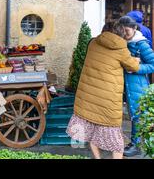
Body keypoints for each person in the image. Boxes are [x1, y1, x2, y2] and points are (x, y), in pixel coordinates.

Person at [66, 23, 140, 159]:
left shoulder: (93, 43)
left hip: (89, 95)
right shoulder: (121, 48)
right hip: (108, 98)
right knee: (116, 137)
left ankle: (97, 157)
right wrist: (136, 59)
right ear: (120, 34)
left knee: (93, 130)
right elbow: (133, 66)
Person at [118, 16, 154, 157]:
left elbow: (152, 65)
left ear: (134, 29)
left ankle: (136, 145)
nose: (124, 34)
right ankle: (132, 142)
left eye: (126, 31)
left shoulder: (141, 44)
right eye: (121, 31)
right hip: (123, 84)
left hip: (137, 85)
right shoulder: (121, 42)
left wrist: (136, 68)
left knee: (137, 115)